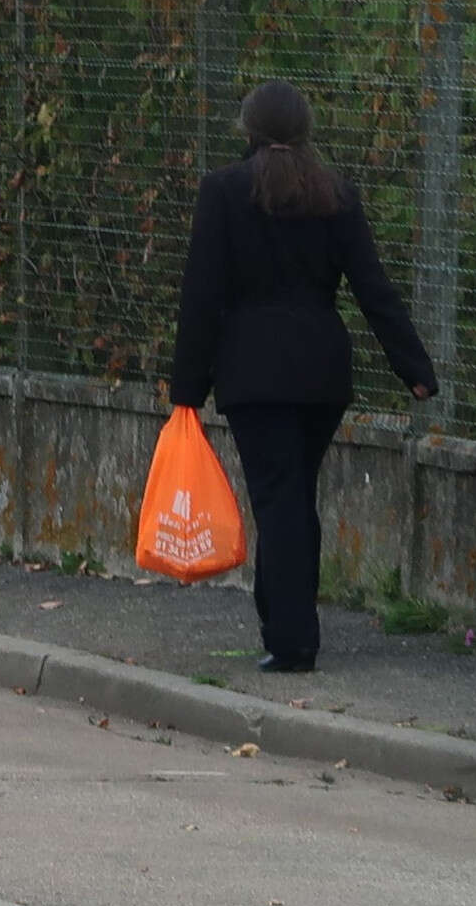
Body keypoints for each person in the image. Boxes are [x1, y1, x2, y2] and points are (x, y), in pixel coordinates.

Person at [166, 79, 433, 676]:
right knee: (295, 497)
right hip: (321, 374)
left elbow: (201, 296)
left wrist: (186, 389)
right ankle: (289, 625)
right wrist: (413, 369)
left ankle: (292, 641)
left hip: (254, 374)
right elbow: (373, 286)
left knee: (279, 499)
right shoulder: (334, 193)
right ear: (305, 130)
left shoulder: (224, 192)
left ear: (249, 129)